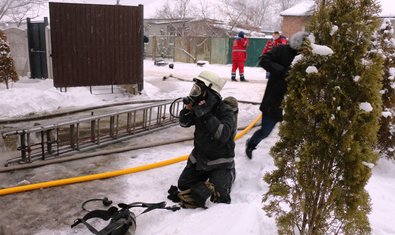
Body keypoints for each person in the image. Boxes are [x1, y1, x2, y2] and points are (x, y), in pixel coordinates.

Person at [167, 71, 238, 208]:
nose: (194, 92)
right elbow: (184, 122)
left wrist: (205, 113)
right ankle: (208, 177)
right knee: (183, 185)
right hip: (201, 158)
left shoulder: (225, 110)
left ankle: (230, 173)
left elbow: (222, 134)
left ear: (209, 93)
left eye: (198, 90)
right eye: (194, 89)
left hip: (220, 161)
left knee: (219, 197)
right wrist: (188, 110)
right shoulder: (199, 107)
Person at [245, 31, 307, 159]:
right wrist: (282, 71)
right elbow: (263, 60)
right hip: (274, 100)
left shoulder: (307, 58)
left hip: (294, 103)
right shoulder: (282, 50)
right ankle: (251, 144)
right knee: (265, 131)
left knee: (293, 134)